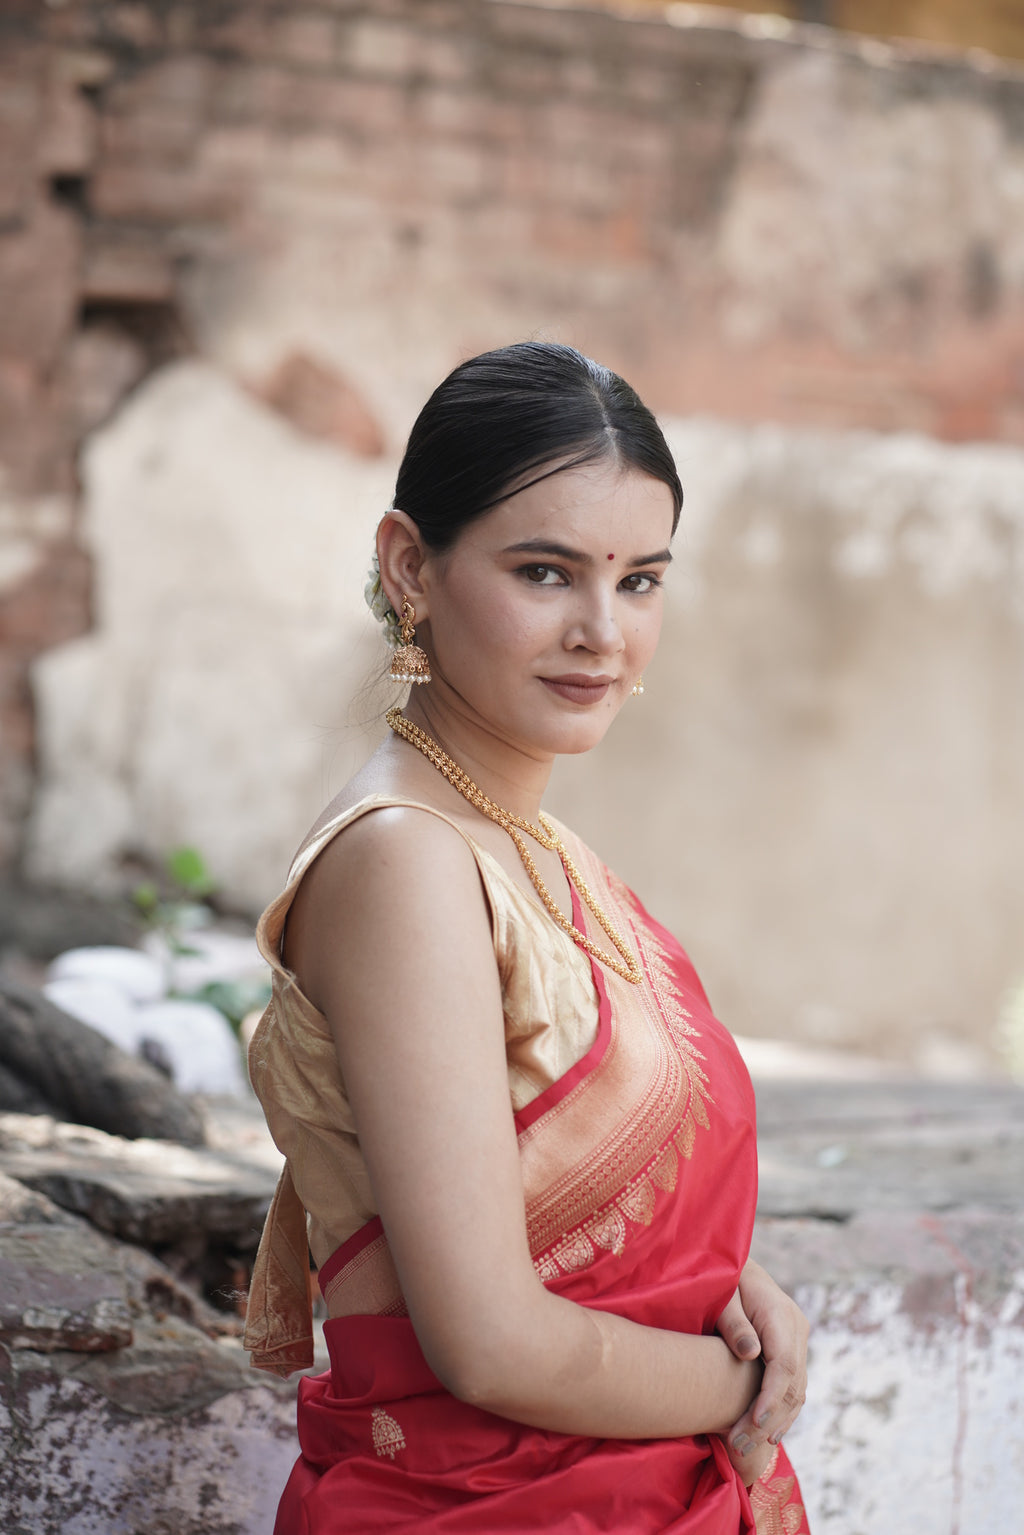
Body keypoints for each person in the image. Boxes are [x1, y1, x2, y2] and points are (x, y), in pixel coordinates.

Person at [244, 342, 810, 1533]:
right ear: (411, 565)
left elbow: (595, 1208)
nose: (602, 631)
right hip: (487, 1502)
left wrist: (722, 1291)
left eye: (641, 580)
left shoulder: (531, 849)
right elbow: (488, 1340)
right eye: (545, 572)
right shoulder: (403, 861)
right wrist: (744, 1383)